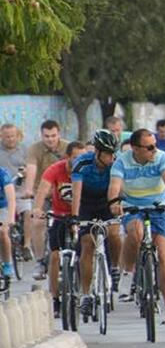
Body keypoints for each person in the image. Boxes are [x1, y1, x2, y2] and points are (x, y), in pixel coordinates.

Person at [108, 129, 165, 324]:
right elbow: (115, 185)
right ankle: (128, 272)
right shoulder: (122, 161)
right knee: (136, 232)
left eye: (155, 145)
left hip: (158, 207)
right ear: (135, 148)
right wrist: (115, 202)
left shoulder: (161, 157)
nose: (154, 150)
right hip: (133, 208)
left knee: (164, 254)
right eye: (149, 147)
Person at [71, 130, 122, 317]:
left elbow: (119, 189)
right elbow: (76, 193)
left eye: (113, 153)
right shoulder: (82, 163)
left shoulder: (116, 164)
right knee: (87, 244)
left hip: (107, 201)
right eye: (108, 153)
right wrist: (75, 217)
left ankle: (115, 267)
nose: (112, 157)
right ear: (98, 152)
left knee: (115, 233)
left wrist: (119, 207)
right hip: (86, 203)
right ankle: (86, 294)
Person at [33, 142, 85, 315]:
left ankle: (86, 293)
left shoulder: (87, 170)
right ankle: (54, 297)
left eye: (82, 157)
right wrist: (38, 209)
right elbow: (43, 190)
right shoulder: (56, 169)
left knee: (84, 254)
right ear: (67, 157)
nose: (80, 161)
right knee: (55, 256)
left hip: (81, 217)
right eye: (76, 157)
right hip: (60, 216)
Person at [25, 119, 70, 280]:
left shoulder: (67, 148)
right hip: (42, 193)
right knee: (37, 222)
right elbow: (31, 169)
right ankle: (40, 261)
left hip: (64, 193)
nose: (50, 139)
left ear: (59, 134)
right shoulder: (34, 149)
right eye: (46, 136)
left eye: (53, 136)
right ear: (41, 135)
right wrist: (29, 189)